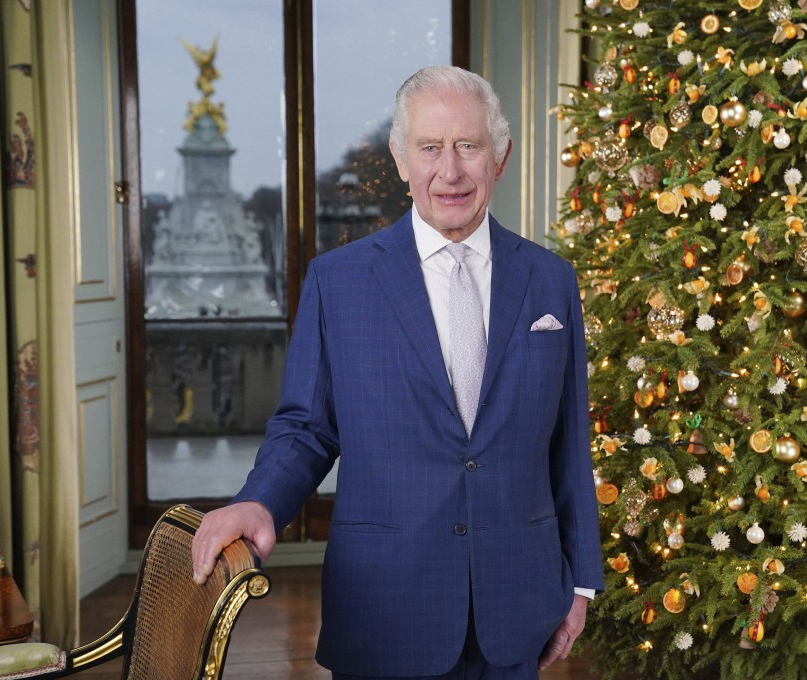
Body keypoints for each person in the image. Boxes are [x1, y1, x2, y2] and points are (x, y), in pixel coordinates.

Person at [192, 65, 604, 679]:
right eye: (431, 148)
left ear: (501, 155)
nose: (451, 171)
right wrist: (260, 503)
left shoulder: (550, 280)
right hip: (385, 605)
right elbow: (306, 428)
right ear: (400, 157)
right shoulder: (340, 281)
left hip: (518, 602)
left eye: (469, 146)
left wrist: (583, 582)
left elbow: (568, 441)